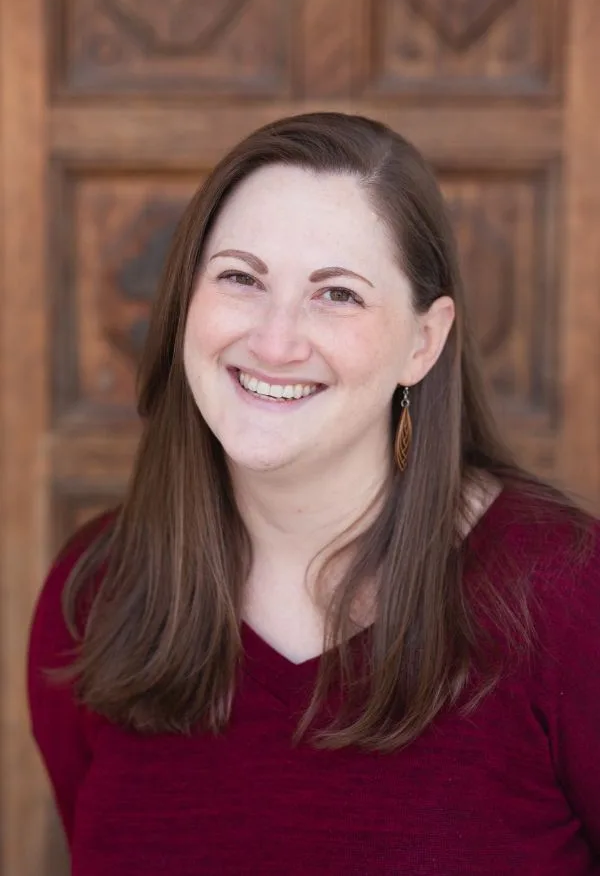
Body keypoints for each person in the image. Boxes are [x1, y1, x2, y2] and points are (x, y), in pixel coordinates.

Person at [28, 112, 600, 875]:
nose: (274, 340)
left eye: (337, 294)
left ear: (423, 343)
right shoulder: (97, 591)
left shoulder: (565, 595)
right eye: (240, 277)